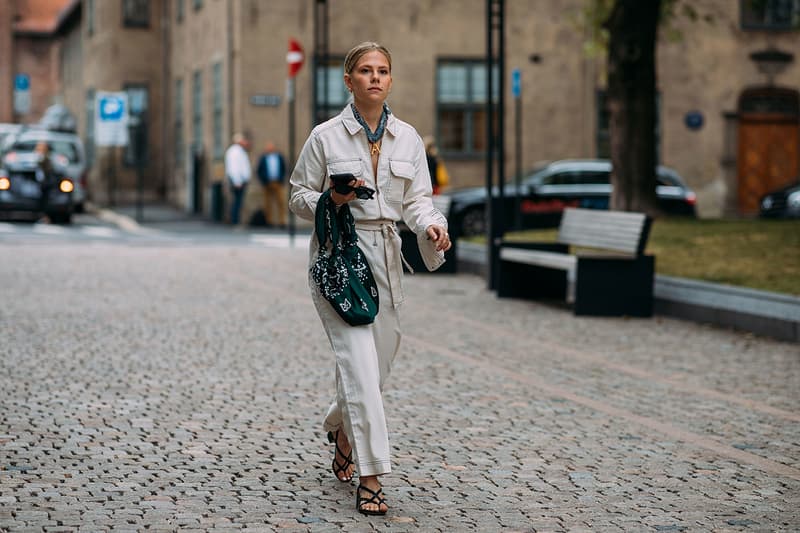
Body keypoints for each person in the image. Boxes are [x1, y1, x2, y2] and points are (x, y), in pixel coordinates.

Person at [290, 42, 451, 516]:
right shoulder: (325, 136)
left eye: (382, 70)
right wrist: (333, 201)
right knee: (359, 367)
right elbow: (298, 196)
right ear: (349, 80)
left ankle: (341, 428)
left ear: (391, 80)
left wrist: (432, 225)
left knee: (375, 370)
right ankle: (372, 475)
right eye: (365, 70)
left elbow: (419, 199)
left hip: (387, 259)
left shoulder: (408, 138)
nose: (375, 78)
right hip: (340, 258)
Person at [255, 141, 288, 227]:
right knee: (268, 203)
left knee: (281, 202)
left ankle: (282, 221)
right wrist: (263, 180)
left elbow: (284, 168)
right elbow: (259, 170)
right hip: (267, 182)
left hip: (278, 182)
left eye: (271, 147)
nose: (269, 149)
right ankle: (269, 221)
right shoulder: (263, 158)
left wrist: (282, 179)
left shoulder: (279, 157)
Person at [224, 133, 251, 226]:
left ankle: (235, 220)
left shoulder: (239, 151)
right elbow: (234, 168)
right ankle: (234, 221)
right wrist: (237, 181)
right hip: (238, 181)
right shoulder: (235, 152)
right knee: (237, 202)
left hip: (240, 181)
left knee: (238, 202)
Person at [34, 141, 55, 223]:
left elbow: (49, 170)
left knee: (45, 201)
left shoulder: (46, 158)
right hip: (41, 182)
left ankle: (45, 216)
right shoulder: (38, 157)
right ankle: (42, 216)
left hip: (45, 183)